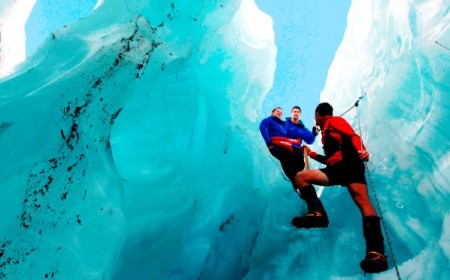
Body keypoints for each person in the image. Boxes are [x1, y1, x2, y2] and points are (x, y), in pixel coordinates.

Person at [292, 102, 388, 273]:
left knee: (363, 202)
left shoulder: (334, 121)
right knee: (302, 177)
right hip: (338, 169)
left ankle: (376, 252)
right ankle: (319, 215)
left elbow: (352, 136)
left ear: (317, 115)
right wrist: (313, 154)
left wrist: (363, 150)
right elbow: (331, 159)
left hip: (349, 165)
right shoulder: (327, 131)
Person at [259, 106, 315, 187]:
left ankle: (301, 184)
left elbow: (308, 138)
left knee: (299, 165)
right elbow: (264, 128)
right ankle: (297, 184)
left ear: (300, 114)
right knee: (287, 160)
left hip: (292, 148)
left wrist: (313, 132)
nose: (279, 113)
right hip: (280, 146)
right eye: (277, 111)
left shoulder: (289, 126)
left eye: (280, 112)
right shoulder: (279, 123)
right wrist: (269, 143)